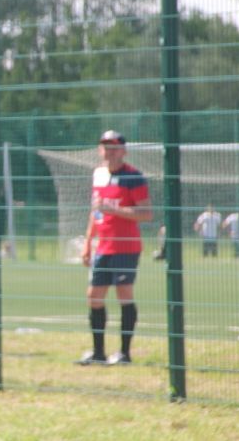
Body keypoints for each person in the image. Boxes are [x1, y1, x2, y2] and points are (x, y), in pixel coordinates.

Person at [77, 130, 152, 366]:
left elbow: (146, 213)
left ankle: (124, 354)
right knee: (94, 297)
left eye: (115, 147)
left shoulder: (134, 177)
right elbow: (95, 211)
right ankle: (98, 352)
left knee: (124, 295)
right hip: (103, 247)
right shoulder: (98, 175)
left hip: (125, 247)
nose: (110, 152)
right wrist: (88, 242)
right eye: (105, 147)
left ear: (124, 151)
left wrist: (115, 211)